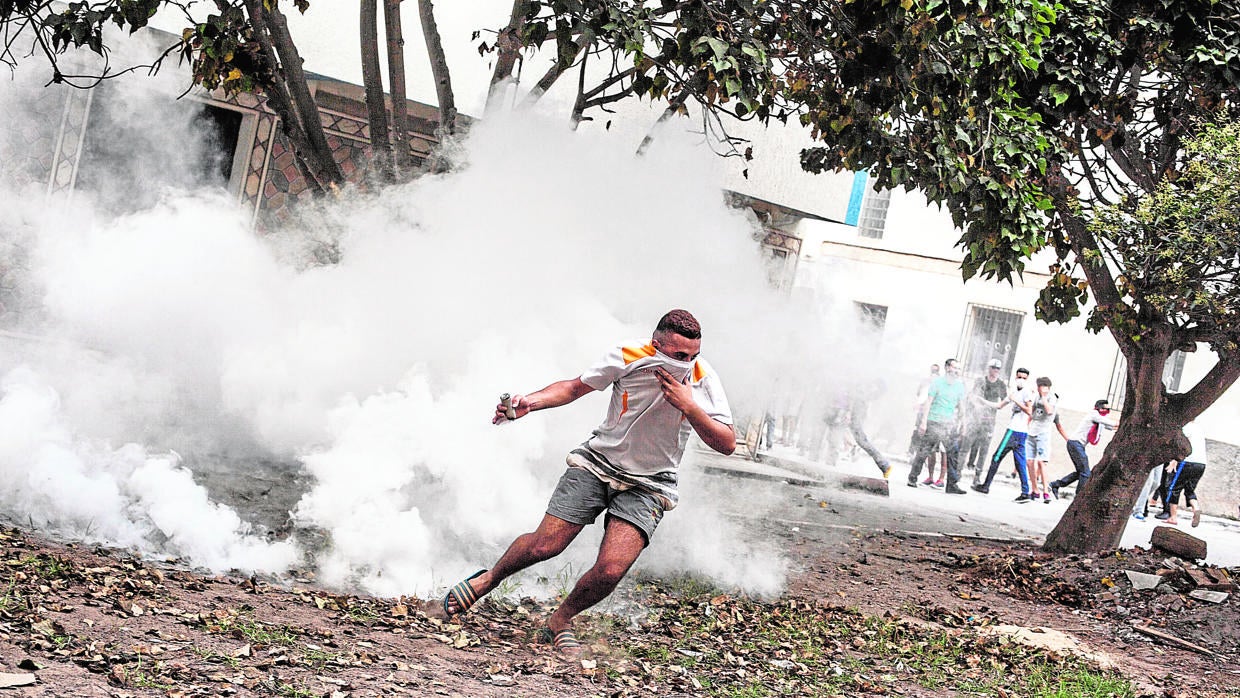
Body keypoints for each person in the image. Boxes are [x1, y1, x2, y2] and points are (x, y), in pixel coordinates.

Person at [441, 310, 735, 655]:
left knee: (611, 569)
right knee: (545, 545)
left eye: (693, 356)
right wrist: (529, 404)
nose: (686, 365)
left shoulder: (703, 379)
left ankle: (560, 620)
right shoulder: (628, 355)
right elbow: (574, 387)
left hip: (651, 483)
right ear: (657, 346)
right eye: (678, 357)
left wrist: (691, 407)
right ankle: (488, 579)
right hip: (597, 463)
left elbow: (727, 443)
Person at [907, 358, 967, 494]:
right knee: (924, 451)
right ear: (947, 368)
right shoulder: (937, 383)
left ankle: (952, 485)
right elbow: (928, 402)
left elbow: (962, 407)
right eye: (954, 367)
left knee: (953, 454)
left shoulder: (959, 386)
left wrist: (964, 424)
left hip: (949, 424)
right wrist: (923, 422)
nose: (957, 371)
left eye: (959, 368)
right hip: (934, 421)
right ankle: (912, 478)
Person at [972, 367, 1034, 500]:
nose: (1021, 380)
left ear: (1027, 379)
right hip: (1020, 432)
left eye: (1024, 378)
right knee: (1020, 462)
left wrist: (1016, 401)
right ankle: (1025, 491)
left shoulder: (1027, 393)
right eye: (1019, 377)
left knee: (997, 457)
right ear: (1015, 377)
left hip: (1014, 431)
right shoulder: (1014, 392)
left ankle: (986, 485)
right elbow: (999, 405)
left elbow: (1030, 411)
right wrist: (983, 401)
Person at [1050, 399, 1117, 499]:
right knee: (1086, 473)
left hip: (1077, 445)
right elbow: (1111, 423)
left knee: (1080, 472)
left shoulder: (1099, 418)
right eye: (1105, 409)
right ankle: (1079, 496)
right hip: (1075, 444)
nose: (1107, 411)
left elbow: (1110, 426)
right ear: (1099, 408)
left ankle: (1056, 484)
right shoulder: (1094, 415)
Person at [963, 359, 1008, 486]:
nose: (995, 371)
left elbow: (1004, 402)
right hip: (975, 418)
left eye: (997, 369)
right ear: (988, 368)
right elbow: (972, 396)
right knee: (966, 445)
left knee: (984, 450)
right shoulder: (980, 381)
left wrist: (990, 405)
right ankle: (958, 473)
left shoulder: (1001, 385)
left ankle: (977, 476)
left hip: (989, 421)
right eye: (993, 368)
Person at [1160, 421, 1208, 526]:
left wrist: (1174, 461)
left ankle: (1173, 517)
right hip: (1201, 464)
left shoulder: (1186, 427)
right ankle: (1196, 508)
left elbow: (1181, 447)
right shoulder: (1199, 428)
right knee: (1189, 489)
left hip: (1187, 462)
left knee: (1174, 488)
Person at [1025, 377, 1057, 502]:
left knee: (1041, 462)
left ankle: (1045, 490)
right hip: (1032, 431)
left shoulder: (1051, 398)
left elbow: (1049, 411)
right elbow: (1031, 412)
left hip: (1043, 433)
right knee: (1029, 461)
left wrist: (1044, 397)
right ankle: (1034, 489)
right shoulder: (1036, 397)